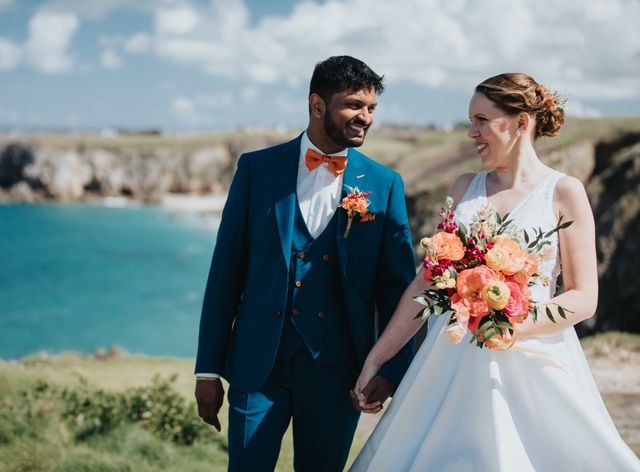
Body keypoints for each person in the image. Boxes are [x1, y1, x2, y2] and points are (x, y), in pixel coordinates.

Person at [350, 73, 640, 471]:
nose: (472, 133)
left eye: (481, 120)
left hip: (532, 365)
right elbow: (426, 282)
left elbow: (583, 297)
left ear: (521, 122)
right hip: (447, 361)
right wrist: (376, 359)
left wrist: (507, 326)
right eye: (471, 121)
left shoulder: (564, 191)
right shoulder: (465, 185)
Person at [194, 55, 417, 471]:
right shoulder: (257, 169)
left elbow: (397, 288)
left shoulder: (384, 185)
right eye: (354, 105)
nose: (365, 118)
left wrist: (392, 367)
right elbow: (226, 270)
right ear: (318, 105)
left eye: (371, 108)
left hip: (338, 370)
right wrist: (207, 370)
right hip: (257, 367)